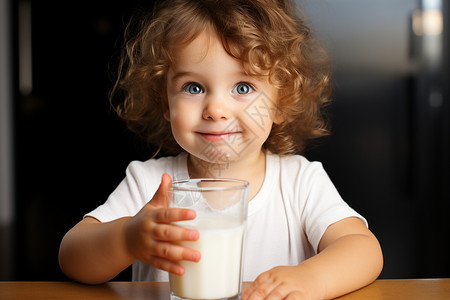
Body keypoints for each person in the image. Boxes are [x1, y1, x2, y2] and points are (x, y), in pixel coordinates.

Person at [59, 0, 383, 299]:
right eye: (193, 87)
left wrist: (314, 278)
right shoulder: (151, 183)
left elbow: (363, 248)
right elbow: (72, 256)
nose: (216, 109)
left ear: (280, 103)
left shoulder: (300, 182)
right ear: (166, 104)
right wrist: (127, 238)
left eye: (243, 87)